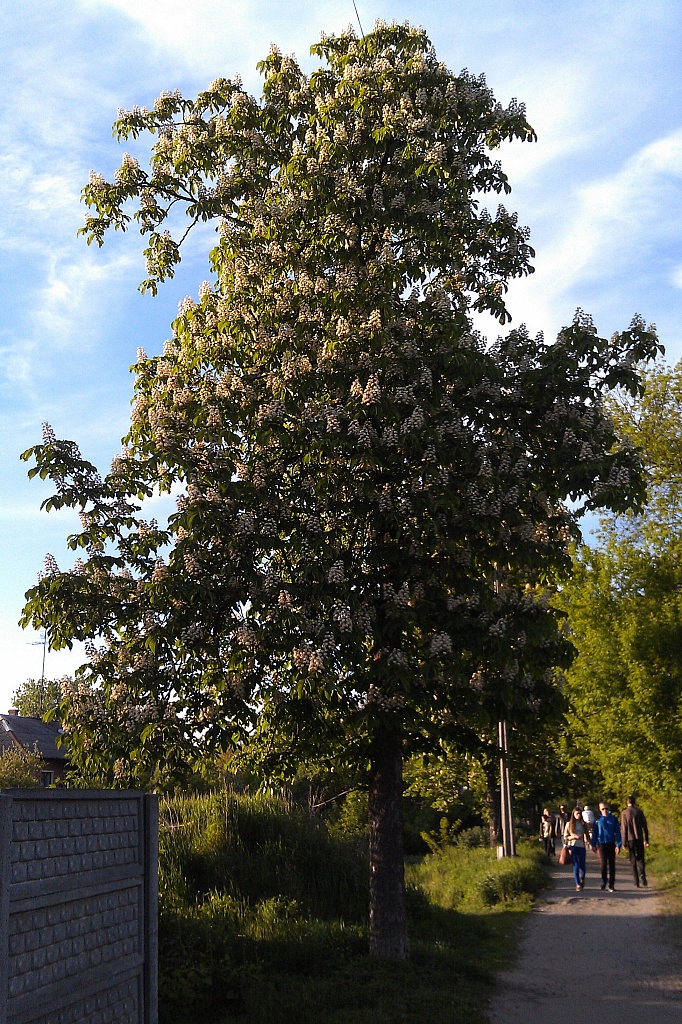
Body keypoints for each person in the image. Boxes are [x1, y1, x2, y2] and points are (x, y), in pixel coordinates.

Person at [591, 801, 622, 891]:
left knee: (612, 864)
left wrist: (618, 844)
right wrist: (593, 844)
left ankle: (611, 884)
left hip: (611, 843)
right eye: (603, 809)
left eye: (606, 808)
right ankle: (604, 881)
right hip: (601, 844)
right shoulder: (597, 820)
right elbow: (595, 833)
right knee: (603, 864)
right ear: (600, 810)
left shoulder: (613, 819)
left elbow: (618, 832)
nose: (605, 810)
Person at [620, 795, 649, 887]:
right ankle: (642, 875)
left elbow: (624, 828)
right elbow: (645, 827)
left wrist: (623, 842)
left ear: (627, 803)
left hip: (630, 839)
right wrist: (646, 839)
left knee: (632, 860)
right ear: (634, 802)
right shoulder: (639, 812)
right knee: (641, 858)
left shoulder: (624, 813)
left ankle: (636, 881)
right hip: (639, 838)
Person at [564, 807, 589, 891]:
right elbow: (565, 836)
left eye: (579, 814)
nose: (578, 815)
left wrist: (588, 841)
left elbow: (587, 835)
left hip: (581, 846)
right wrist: (573, 837)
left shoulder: (583, 824)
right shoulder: (569, 824)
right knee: (576, 865)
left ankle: (582, 879)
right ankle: (577, 884)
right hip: (573, 845)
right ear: (573, 814)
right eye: (576, 814)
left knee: (582, 864)